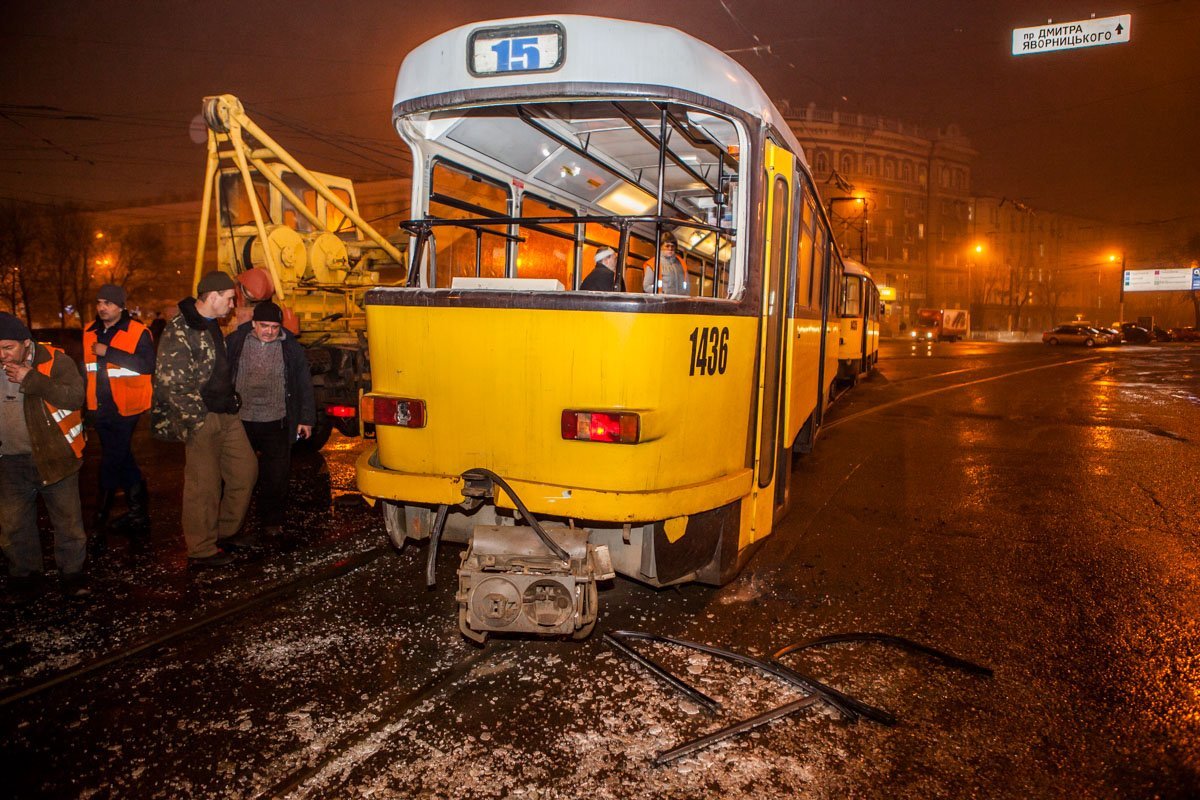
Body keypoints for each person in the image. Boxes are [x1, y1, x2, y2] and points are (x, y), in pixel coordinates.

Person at [151, 271, 258, 568]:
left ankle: (225, 532)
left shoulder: (211, 324)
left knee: (245, 471)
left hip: (226, 414)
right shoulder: (179, 330)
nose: (232, 305)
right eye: (228, 299)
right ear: (211, 298)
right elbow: (169, 383)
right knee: (204, 486)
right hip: (203, 417)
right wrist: (196, 419)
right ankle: (201, 548)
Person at [0, 313, 90, 601]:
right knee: (14, 526)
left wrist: (32, 378)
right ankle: (25, 577)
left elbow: (75, 397)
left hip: (55, 457)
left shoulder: (56, 362)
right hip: (10, 461)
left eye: (7, 348)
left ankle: (72, 575)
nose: (1, 355)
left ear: (27, 344)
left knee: (68, 523)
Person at [226, 300, 315, 539]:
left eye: (275, 327)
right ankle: (233, 524)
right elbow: (221, 375)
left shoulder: (291, 348)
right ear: (254, 323)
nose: (269, 331)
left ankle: (271, 520)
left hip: (276, 420)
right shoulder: (235, 342)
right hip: (241, 421)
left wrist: (306, 418)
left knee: (276, 475)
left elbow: (304, 383)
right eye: (264, 325)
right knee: (239, 474)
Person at [83, 284, 156, 544]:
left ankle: (99, 518)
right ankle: (138, 514)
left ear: (121, 306)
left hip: (127, 406)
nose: (103, 308)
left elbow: (148, 365)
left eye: (109, 303)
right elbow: (88, 372)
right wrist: (88, 407)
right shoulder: (88, 332)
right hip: (100, 407)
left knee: (111, 459)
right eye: (100, 302)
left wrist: (110, 352)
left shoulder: (138, 332)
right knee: (122, 458)